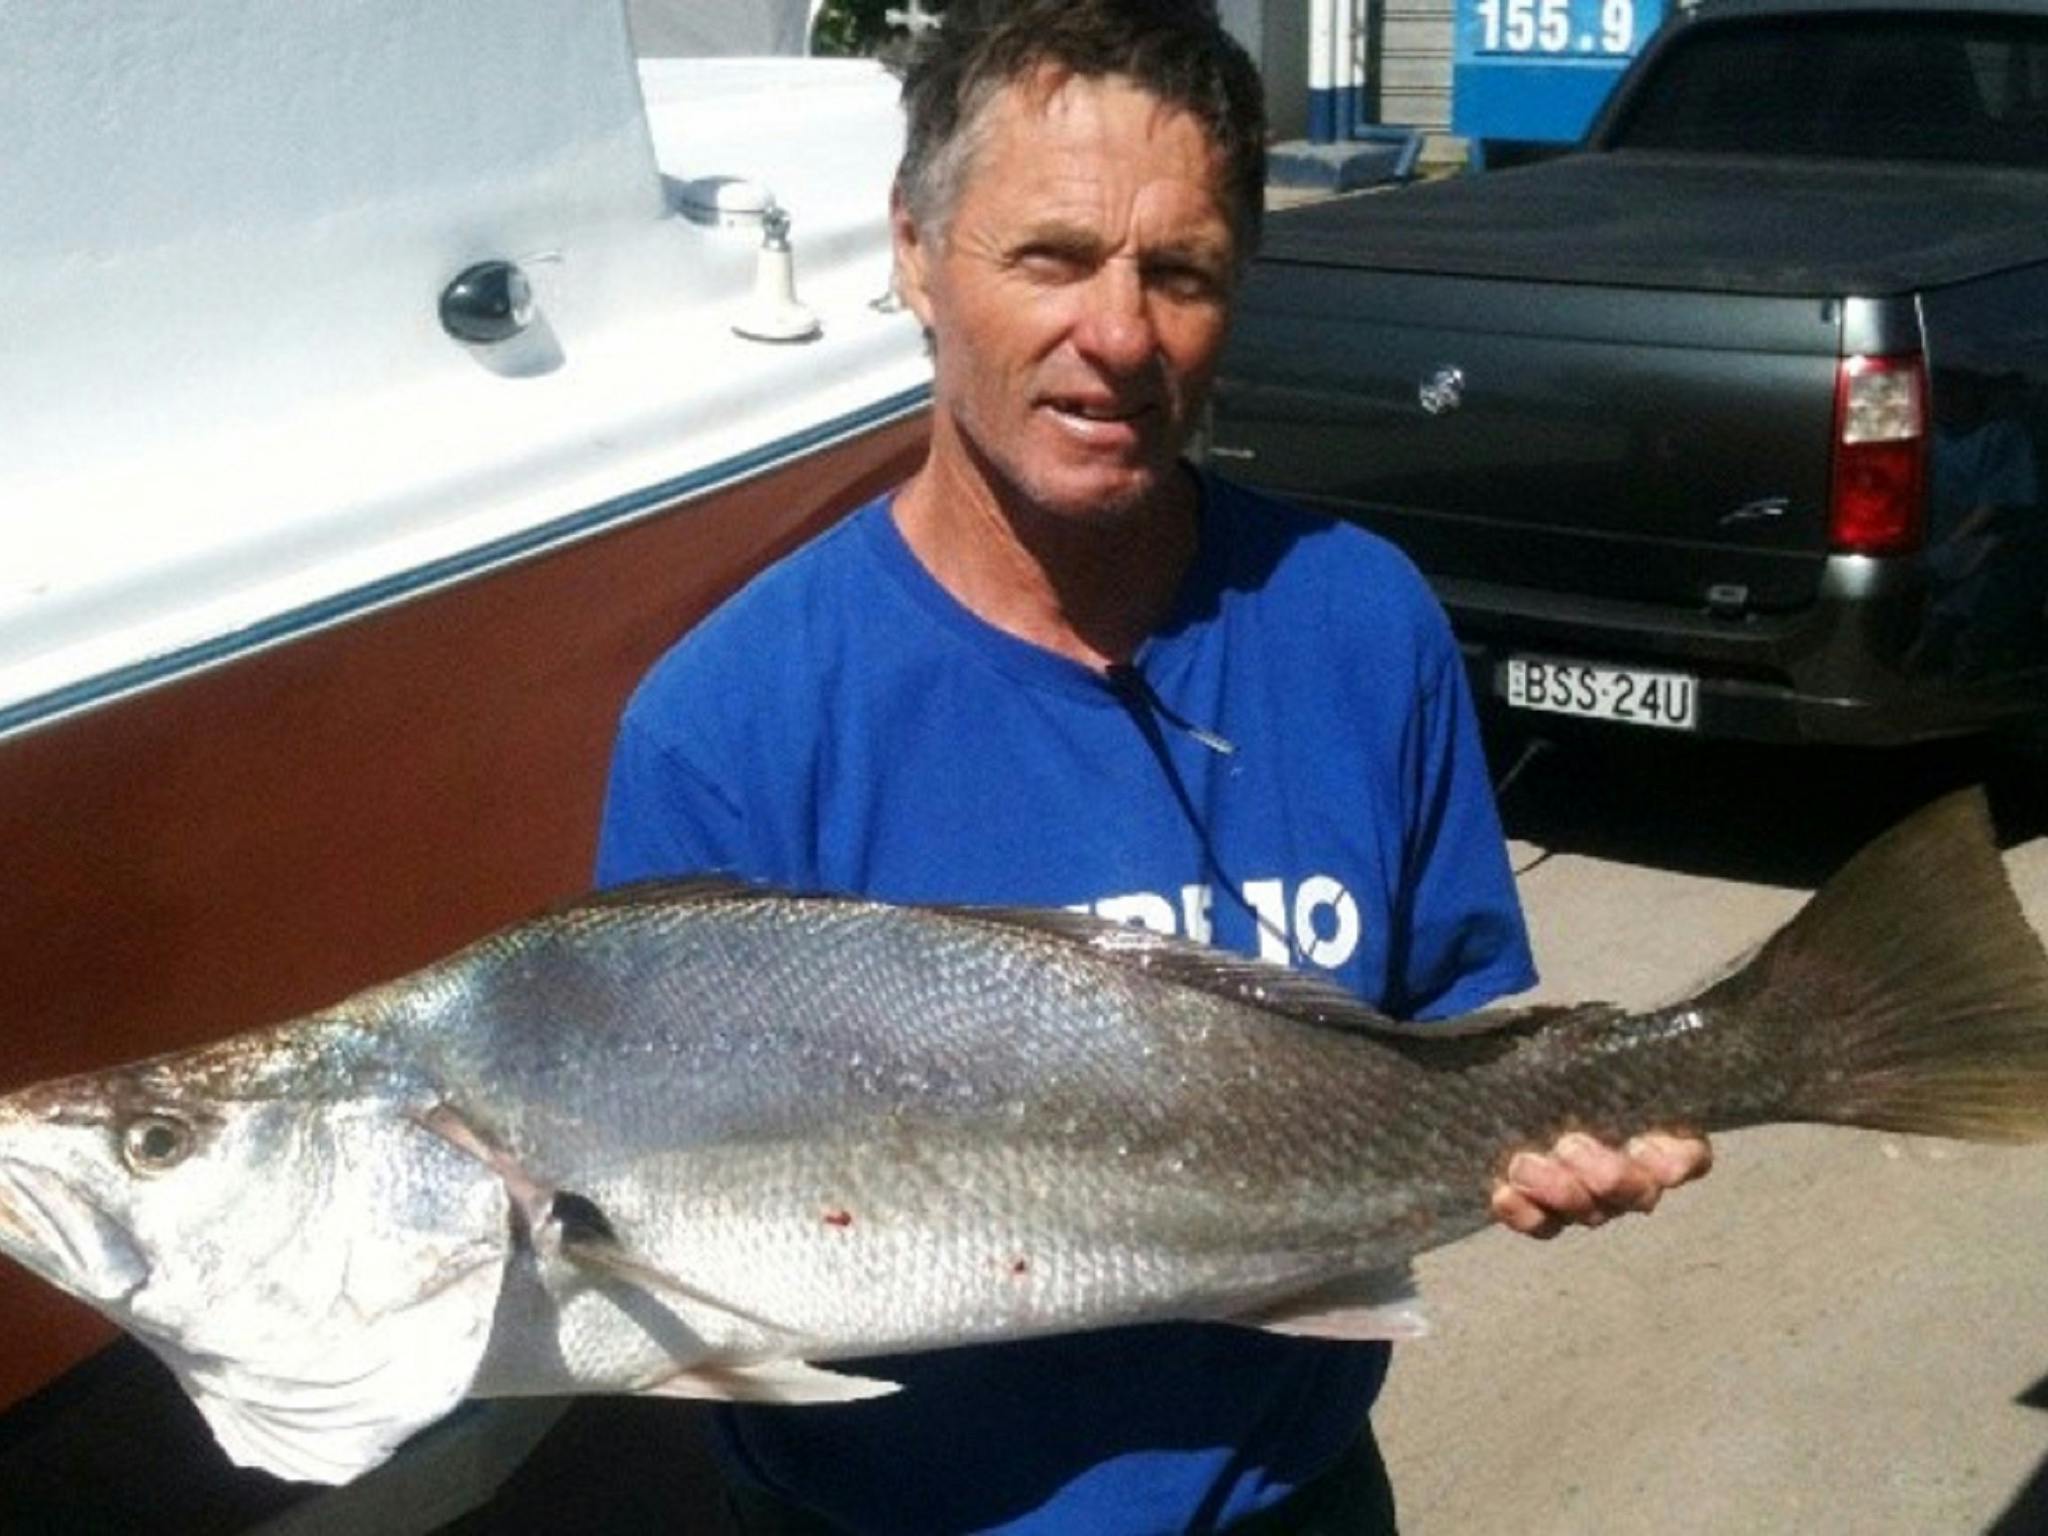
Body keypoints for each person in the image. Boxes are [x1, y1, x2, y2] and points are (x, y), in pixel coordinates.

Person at [595, 2, 1710, 1529]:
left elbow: (1461, 1029)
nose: (1117, 335)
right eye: (1050, 256)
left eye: (1178, 272)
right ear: (917, 252)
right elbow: (656, 1224)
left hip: (1296, 1500)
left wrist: (1572, 1138)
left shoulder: (1360, 620)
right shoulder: (726, 727)